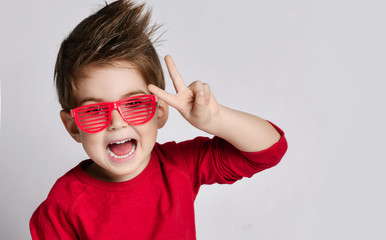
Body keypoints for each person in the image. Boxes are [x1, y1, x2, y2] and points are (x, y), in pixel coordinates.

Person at [30, 0, 287, 239]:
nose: (117, 123)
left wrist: (216, 119)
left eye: (133, 104)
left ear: (160, 111)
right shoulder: (61, 208)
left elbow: (270, 150)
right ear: (73, 127)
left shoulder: (180, 166)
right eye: (95, 110)